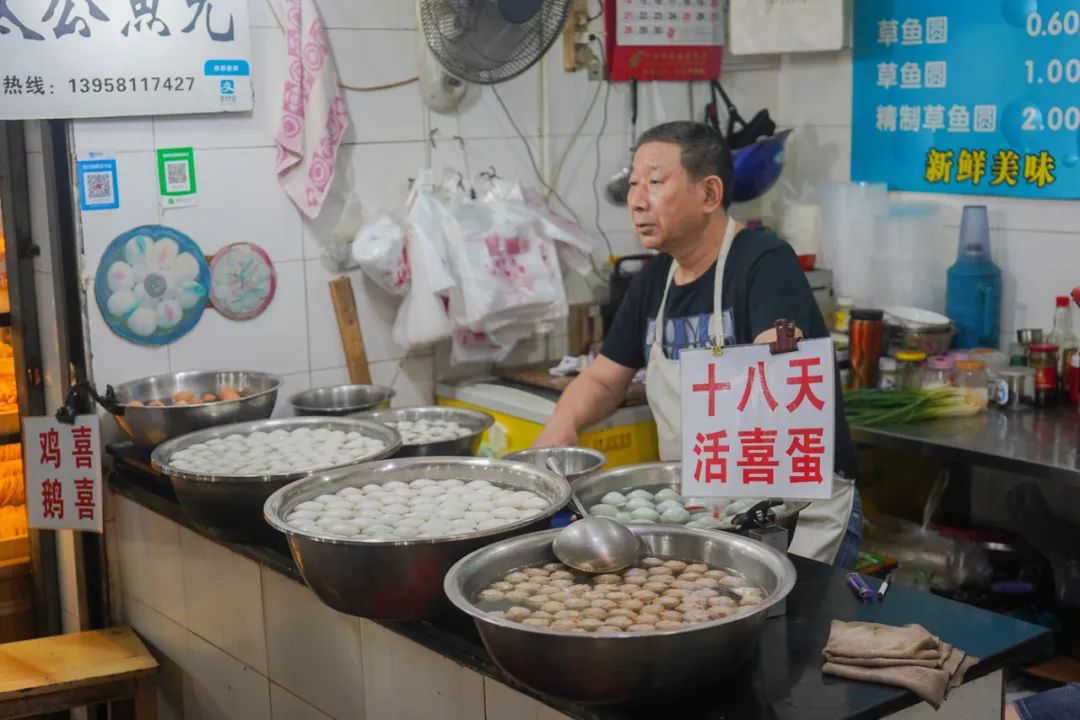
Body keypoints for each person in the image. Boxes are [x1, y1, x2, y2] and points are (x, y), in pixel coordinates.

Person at [534, 120, 862, 566]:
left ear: (709, 194)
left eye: (654, 182)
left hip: (793, 515)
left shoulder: (764, 261)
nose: (636, 200)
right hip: (707, 512)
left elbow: (782, 357)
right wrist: (562, 426)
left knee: (791, 634)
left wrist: (777, 347)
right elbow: (605, 380)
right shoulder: (654, 281)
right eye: (633, 184)